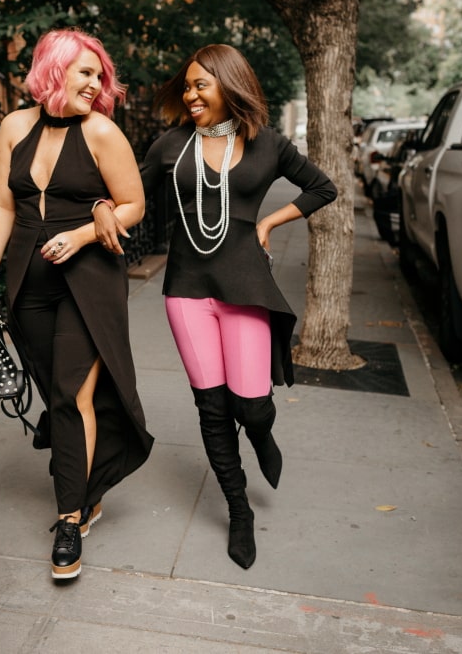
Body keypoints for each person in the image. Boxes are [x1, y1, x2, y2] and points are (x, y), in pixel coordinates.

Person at [94, 44, 337, 570]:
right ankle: (239, 509)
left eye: (201, 84)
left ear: (230, 84)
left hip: (245, 287)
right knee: (211, 407)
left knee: (250, 405)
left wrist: (269, 223)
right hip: (186, 289)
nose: (190, 94)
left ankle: (262, 430)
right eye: (186, 86)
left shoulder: (267, 144)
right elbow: (126, 192)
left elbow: (323, 187)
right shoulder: (171, 145)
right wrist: (100, 208)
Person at [0, 28, 154, 581]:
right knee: (59, 397)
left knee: (73, 395)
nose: (97, 84)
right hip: (28, 278)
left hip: (89, 280)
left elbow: (134, 205)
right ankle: (89, 484)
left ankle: (69, 517)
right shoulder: (14, 127)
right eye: (85, 72)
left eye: (99, 75)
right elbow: (4, 205)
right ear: (54, 70)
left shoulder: (102, 132)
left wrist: (80, 235)